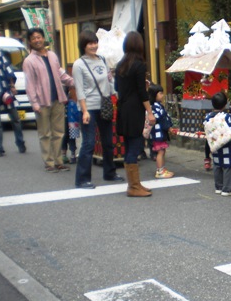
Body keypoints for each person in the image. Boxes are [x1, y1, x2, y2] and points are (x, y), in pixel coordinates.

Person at [72, 30, 124, 189]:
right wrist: (84, 110)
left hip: (105, 105)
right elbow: (79, 90)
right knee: (88, 143)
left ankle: (109, 172)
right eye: (90, 43)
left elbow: (109, 81)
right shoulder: (79, 64)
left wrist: (116, 95)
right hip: (89, 107)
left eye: (95, 42)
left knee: (108, 141)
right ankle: (82, 179)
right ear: (83, 46)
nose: (94, 46)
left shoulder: (102, 59)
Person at [23, 28, 75, 172]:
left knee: (58, 132)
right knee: (45, 134)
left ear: (43, 38)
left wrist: (74, 82)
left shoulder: (52, 55)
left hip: (58, 99)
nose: (37, 40)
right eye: (33, 38)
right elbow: (30, 84)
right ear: (30, 41)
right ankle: (49, 162)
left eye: (39, 37)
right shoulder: (29, 61)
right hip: (42, 102)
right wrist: (34, 103)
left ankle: (58, 161)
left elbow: (60, 73)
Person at [115, 31, 156, 198]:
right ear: (140, 45)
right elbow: (141, 92)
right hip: (134, 110)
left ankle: (135, 184)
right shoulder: (139, 65)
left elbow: (118, 88)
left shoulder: (120, 65)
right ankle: (133, 186)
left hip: (123, 108)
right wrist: (150, 112)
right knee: (136, 146)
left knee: (129, 145)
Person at [204, 91, 231, 196]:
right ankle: (227, 189)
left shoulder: (208, 117)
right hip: (227, 146)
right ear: (225, 104)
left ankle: (218, 187)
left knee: (217, 165)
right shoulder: (227, 117)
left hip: (215, 146)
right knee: (228, 166)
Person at [0, 47, 25, 157]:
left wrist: (12, 86)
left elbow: (8, 69)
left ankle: (20, 142)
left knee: (15, 118)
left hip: (4, 89)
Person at [149, 85, 174, 179]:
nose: (162, 95)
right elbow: (162, 118)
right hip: (158, 132)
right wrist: (169, 127)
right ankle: (160, 171)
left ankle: (162, 169)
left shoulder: (157, 105)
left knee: (162, 151)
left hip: (160, 132)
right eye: (160, 93)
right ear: (154, 95)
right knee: (160, 152)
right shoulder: (155, 106)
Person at [61, 87, 80, 164]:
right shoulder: (64, 87)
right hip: (66, 116)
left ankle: (72, 154)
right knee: (66, 135)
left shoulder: (73, 90)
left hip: (71, 116)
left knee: (71, 135)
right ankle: (65, 155)